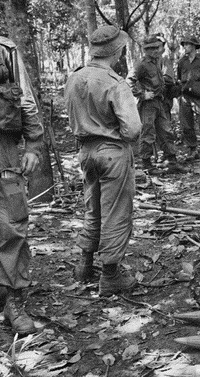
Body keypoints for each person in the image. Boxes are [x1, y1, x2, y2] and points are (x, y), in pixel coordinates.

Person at [65, 25, 142, 297]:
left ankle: (84, 263)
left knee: (92, 207)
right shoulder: (114, 83)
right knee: (116, 212)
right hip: (112, 153)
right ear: (117, 52)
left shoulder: (74, 79)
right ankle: (110, 275)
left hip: (85, 152)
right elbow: (133, 129)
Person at [0, 31, 43, 335]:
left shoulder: (0, 48)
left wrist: (33, 144)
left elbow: (25, 99)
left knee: (10, 221)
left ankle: (14, 299)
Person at [129, 35, 184, 174]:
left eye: (156, 47)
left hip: (160, 102)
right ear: (145, 50)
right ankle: (147, 165)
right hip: (148, 105)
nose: (154, 50)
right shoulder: (141, 64)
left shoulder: (158, 62)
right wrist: (142, 95)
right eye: (150, 48)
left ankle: (172, 161)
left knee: (166, 131)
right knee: (148, 133)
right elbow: (128, 82)